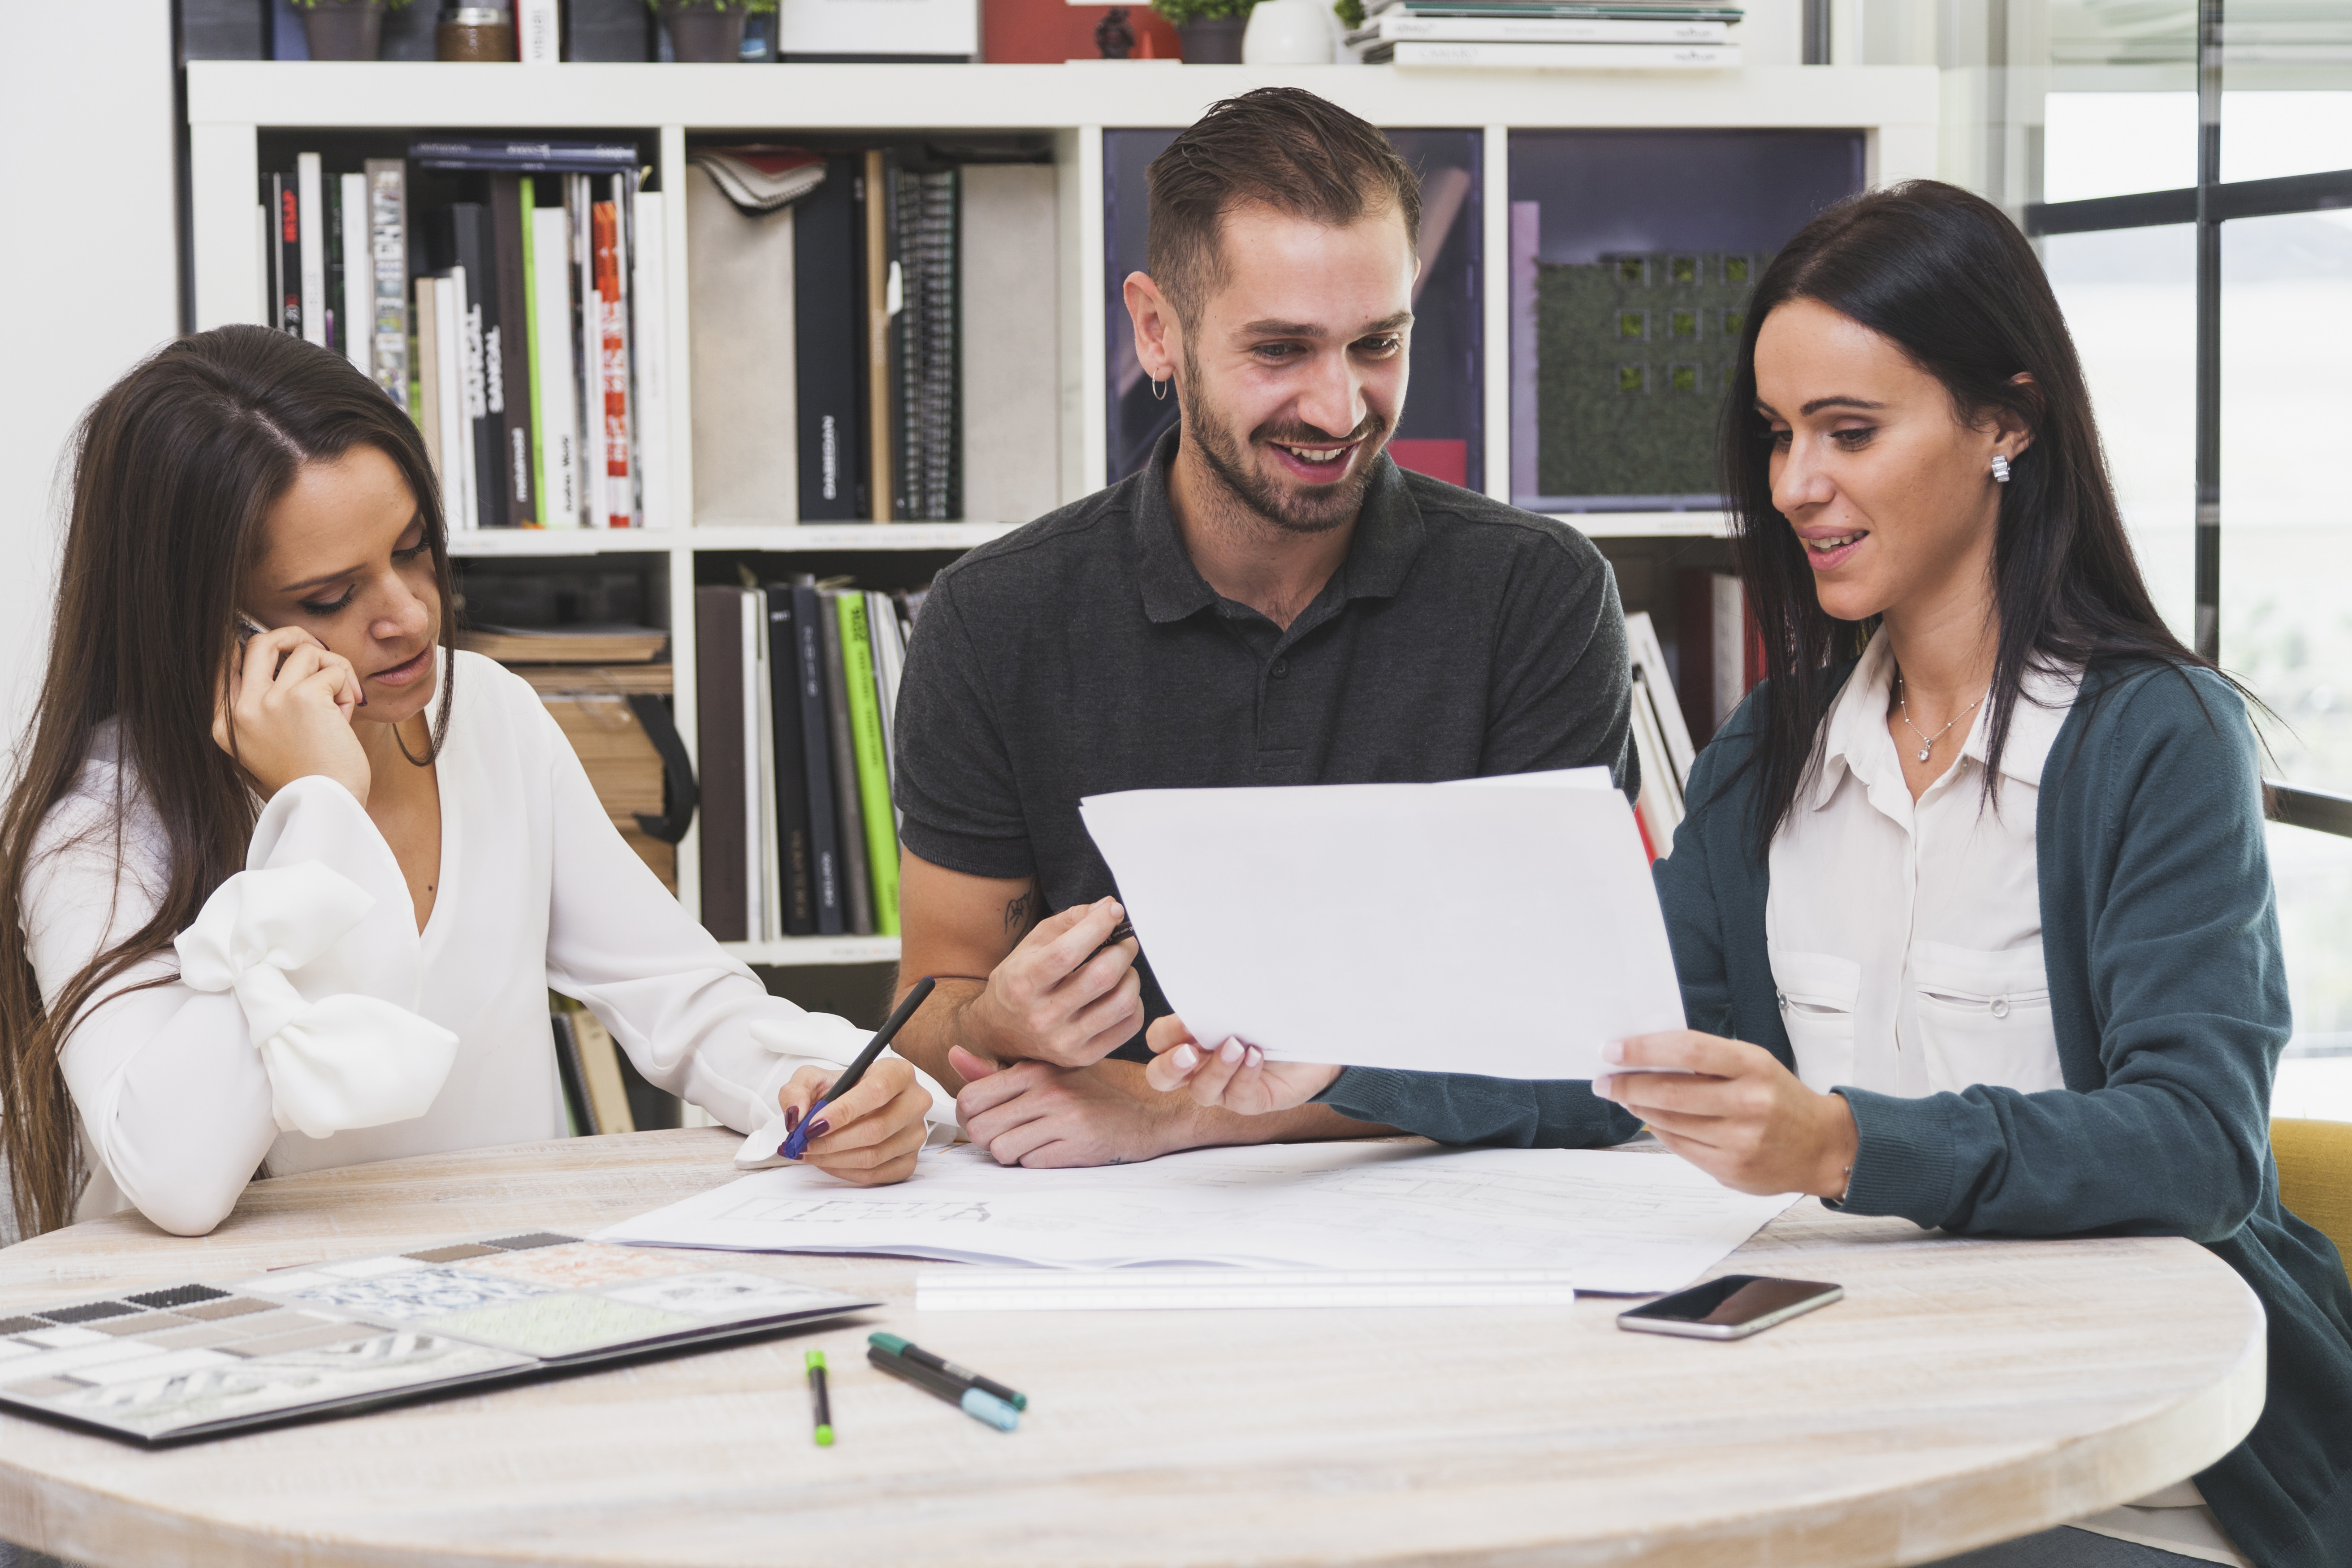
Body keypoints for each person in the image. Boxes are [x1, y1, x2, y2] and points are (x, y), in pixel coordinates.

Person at [1154, 180, 2352, 1568]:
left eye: (1851, 431)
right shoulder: (1775, 750)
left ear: (2007, 421)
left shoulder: (2156, 739)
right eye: (1781, 435)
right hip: (1855, 1421)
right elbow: (1612, 1056)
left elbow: (2200, 1146)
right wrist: (1337, 1056)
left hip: (2138, 1475)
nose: (1793, 485)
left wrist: (1838, 1143)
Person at [0, 326, 944, 1241]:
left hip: (498, 1288)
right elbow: (177, 1180)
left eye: (412, 548)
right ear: (207, 625)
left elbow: (684, 1002)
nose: (411, 616)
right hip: (242, 1326)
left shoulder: (486, 712)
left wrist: (818, 1086)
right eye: (331, 597)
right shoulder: (97, 827)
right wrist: (318, 812)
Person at [886, 86, 1643, 1168]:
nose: (1339, 409)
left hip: (1438, 1207)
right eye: (1280, 350)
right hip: (1100, 1219)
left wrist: (1182, 1113)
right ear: (1157, 330)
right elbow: (929, 1005)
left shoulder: (1537, 595)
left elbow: (1583, 1044)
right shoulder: (993, 618)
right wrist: (999, 1019)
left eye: (1377, 343)